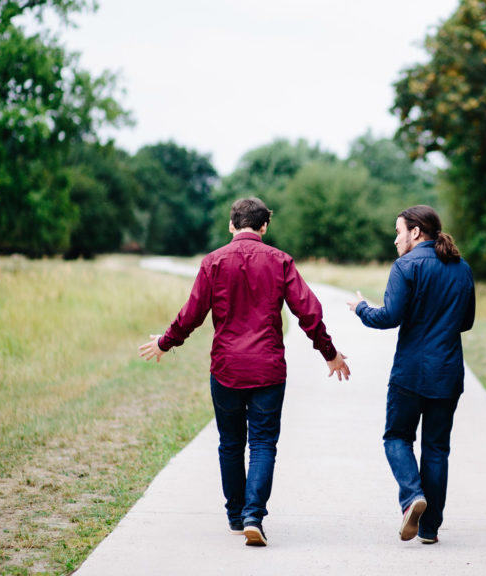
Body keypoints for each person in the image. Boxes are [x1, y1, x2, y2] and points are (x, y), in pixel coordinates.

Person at [139, 197, 350, 547]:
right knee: (264, 443)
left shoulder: (213, 262)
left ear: (231, 225)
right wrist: (329, 353)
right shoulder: (281, 261)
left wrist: (166, 342)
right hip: (268, 368)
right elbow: (309, 312)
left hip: (226, 369)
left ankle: (237, 516)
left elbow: (192, 313)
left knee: (231, 444)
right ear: (264, 226)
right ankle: (255, 515)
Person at [347, 205, 475, 545]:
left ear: (416, 232)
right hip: (447, 373)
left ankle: (411, 497)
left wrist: (361, 308)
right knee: (436, 449)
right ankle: (430, 529)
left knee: (397, 438)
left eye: (399, 231)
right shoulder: (462, 269)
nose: (395, 239)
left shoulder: (405, 266)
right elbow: (466, 322)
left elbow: (388, 317)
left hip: (410, 373)